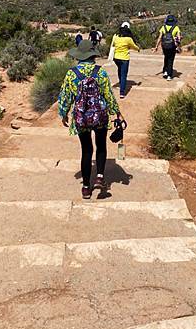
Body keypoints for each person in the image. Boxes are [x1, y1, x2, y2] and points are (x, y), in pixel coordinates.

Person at [58, 40, 123, 199]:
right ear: (92, 55)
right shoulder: (100, 72)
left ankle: (86, 188)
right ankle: (100, 176)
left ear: (79, 56)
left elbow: (65, 96)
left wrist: (64, 113)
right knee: (101, 146)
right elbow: (108, 95)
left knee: (86, 150)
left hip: (81, 118)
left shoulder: (72, 74)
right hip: (100, 116)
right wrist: (117, 113)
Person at [110, 21, 140, 98]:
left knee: (119, 70)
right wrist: (138, 49)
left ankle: (120, 83)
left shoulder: (116, 36)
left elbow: (113, 44)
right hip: (124, 58)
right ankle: (122, 92)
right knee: (124, 75)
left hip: (116, 58)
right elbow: (134, 46)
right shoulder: (128, 39)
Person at [154, 15, 181, 81]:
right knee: (171, 59)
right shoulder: (176, 28)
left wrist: (156, 46)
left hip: (164, 46)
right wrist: (178, 44)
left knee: (166, 57)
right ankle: (169, 75)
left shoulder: (163, 27)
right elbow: (179, 38)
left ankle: (165, 71)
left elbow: (160, 37)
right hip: (172, 46)